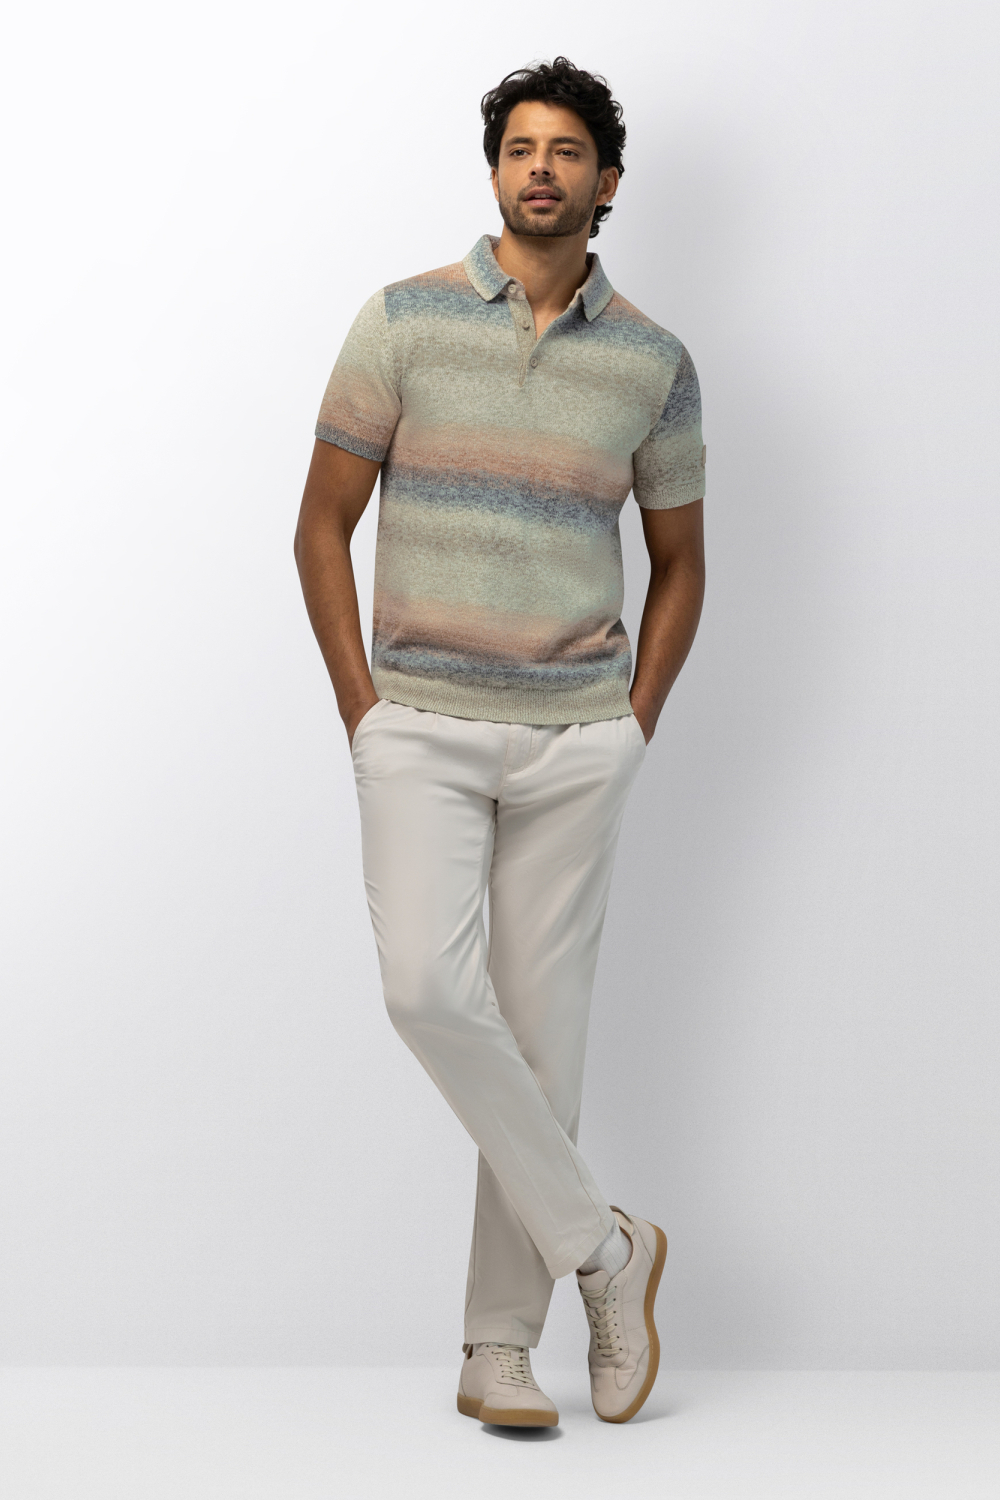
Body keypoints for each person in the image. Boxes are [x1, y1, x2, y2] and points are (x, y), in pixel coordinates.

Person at [294, 56, 706, 1427]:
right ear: (494, 173)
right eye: (521, 148)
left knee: (542, 1042)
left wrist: (634, 722)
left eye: (567, 150)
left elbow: (682, 563)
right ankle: (607, 1248)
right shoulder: (403, 320)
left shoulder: (654, 362)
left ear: (606, 181)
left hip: (577, 736)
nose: (542, 168)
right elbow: (320, 526)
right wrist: (364, 710)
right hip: (419, 721)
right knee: (428, 990)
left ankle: (497, 1349)